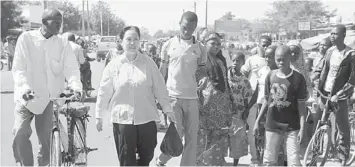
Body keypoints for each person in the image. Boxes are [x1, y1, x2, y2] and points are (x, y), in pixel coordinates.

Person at [95, 26, 176, 166]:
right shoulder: (114, 65)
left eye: (135, 39)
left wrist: (168, 109)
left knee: (147, 155)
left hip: (147, 118)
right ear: (121, 42)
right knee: (126, 158)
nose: (132, 43)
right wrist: (99, 115)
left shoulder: (149, 63)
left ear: (140, 42)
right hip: (122, 120)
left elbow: (160, 88)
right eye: (128, 39)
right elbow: (104, 91)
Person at [11, 8, 82, 166]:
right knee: (20, 133)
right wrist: (24, 89)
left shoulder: (62, 43)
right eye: (55, 22)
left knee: (47, 140)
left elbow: (71, 68)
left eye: (60, 22)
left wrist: (75, 86)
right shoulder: (26, 39)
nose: (59, 25)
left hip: (49, 99)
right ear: (44, 23)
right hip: (27, 97)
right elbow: (19, 68)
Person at [157, 11, 207, 166]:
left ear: (195, 28)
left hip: (192, 98)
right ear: (179, 24)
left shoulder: (200, 48)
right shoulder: (168, 45)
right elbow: (162, 72)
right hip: (173, 97)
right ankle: (161, 160)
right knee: (177, 134)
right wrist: (157, 94)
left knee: (192, 139)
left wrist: (204, 79)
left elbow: (203, 71)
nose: (187, 31)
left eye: (191, 29)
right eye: (184, 27)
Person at [253, 45, 308, 166]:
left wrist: (302, 128)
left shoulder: (298, 78)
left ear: (290, 58)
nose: (281, 62)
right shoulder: (271, 76)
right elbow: (267, 101)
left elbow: (302, 108)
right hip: (272, 124)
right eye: (278, 59)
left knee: (294, 161)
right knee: (269, 160)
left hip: (292, 126)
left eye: (284, 59)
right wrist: (257, 121)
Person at [313, 24, 355, 166]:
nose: (332, 36)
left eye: (335, 34)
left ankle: (342, 157)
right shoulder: (330, 51)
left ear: (343, 35)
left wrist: (340, 94)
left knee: (342, 127)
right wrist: (313, 79)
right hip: (324, 93)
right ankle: (315, 154)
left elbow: (352, 80)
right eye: (331, 33)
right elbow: (320, 68)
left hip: (340, 96)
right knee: (319, 123)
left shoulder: (350, 55)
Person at [194, 32, 233, 166]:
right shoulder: (200, 61)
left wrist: (230, 101)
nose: (216, 46)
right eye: (212, 43)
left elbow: (226, 83)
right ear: (205, 44)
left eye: (218, 44)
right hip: (206, 107)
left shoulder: (221, 60)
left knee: (218, 139)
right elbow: (197, 83)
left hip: (221, 108)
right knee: (203, 139)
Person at [240, 36, 270, 166]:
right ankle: (255, 159)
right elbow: (243, 76)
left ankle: (266, 157)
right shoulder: (252, 59)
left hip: (267, 102)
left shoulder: (273, 61)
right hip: (252, 100)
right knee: (253, 130)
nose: (265, 47)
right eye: (263, 44)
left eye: (268, 44)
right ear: (258, 45)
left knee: (266, 132)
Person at [228, 52, 252, 166]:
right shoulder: (225, 76)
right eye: (233, 60)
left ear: (242, 63)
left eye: (238, 61)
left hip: (238, 112)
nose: (235, 63)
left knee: (237, 138)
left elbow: (246, 97)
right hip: (225, 111)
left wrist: (246, 111)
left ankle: (235, 164)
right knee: (223, 136)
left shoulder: (245, 80)